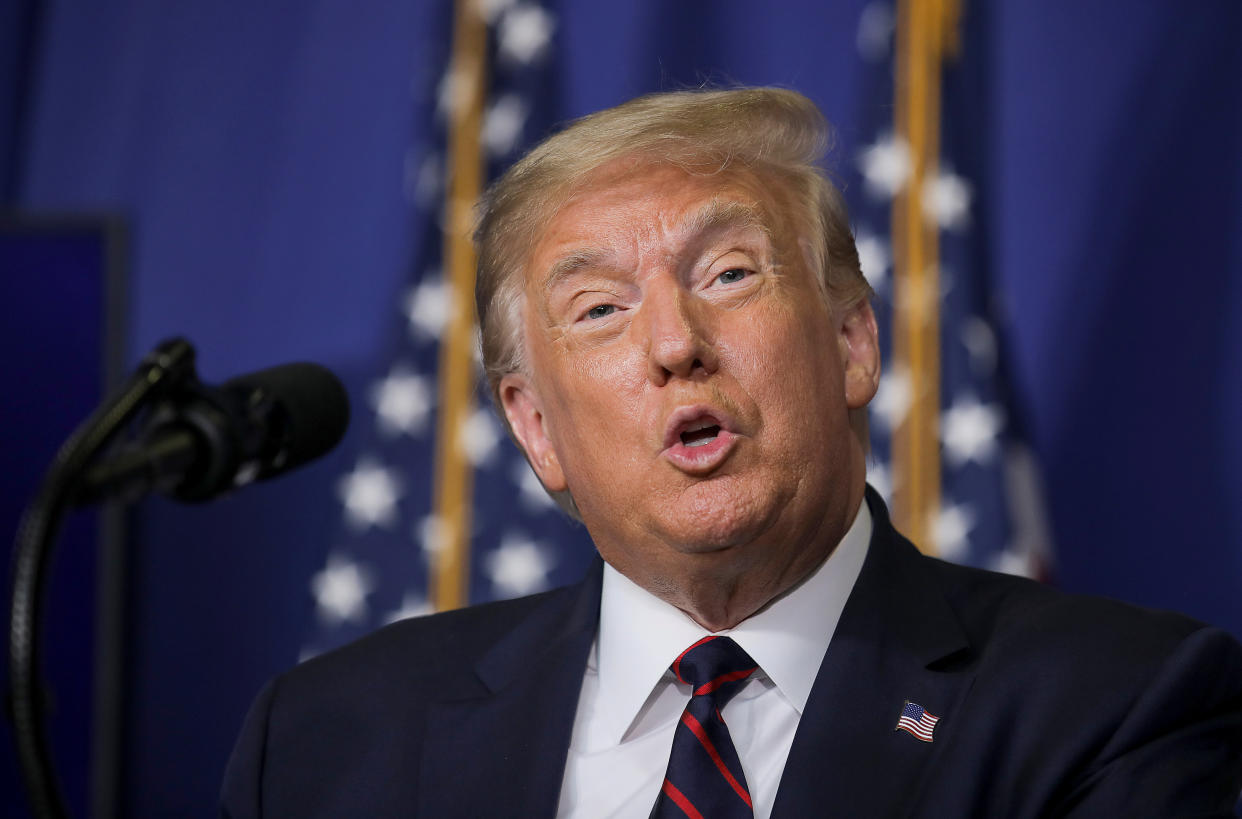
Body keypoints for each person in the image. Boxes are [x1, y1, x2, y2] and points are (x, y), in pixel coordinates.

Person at [220, 88, 1242, 818]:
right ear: (535, 427)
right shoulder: (326, 744)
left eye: (728, 273)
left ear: (852, 342)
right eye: (599, 308)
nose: (674, 345)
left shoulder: (1112, 705)